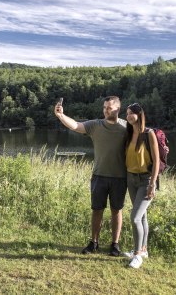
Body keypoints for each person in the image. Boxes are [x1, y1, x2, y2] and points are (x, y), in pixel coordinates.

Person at [54, 96, 127, 256]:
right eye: (104, 107)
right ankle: (93, 242)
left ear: (118, 109)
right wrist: (61, 116)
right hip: (99, 176)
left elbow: (142, 136)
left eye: (109, 107)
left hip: (120, 177)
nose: (106, 110)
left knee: (117, 211)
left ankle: (115, 245)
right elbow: (76, 126)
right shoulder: (95, 125)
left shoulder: (126, 127)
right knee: (97, 210)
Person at [123, 103, 160, 269]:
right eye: (127, 113)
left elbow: (157, 161)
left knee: (135, 217)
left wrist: (152, 183)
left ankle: (137, 255)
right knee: (143, 216)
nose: (129, 116)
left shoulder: (148, 133)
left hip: (146, 180)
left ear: (140, 114)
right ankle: (143, 250)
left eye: (132, 113)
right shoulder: (129, 133)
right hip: (131, 179)